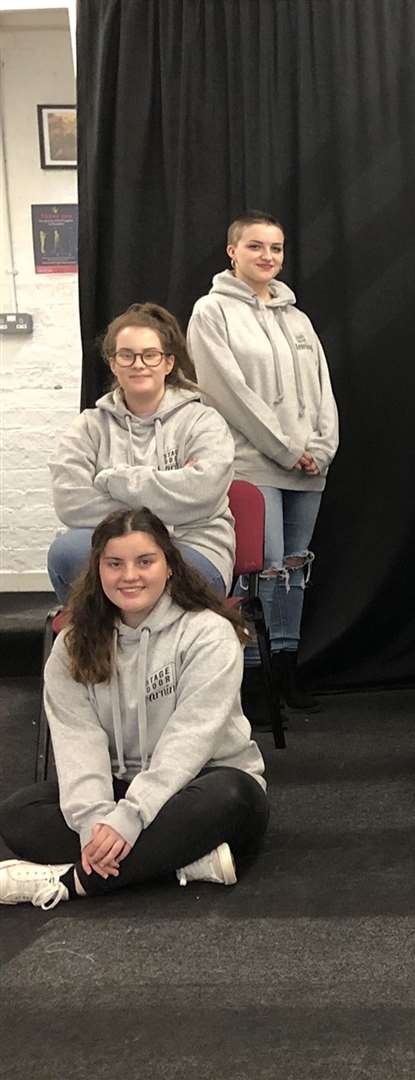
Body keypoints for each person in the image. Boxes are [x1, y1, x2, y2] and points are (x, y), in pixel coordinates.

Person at [0, 509, 269, 909]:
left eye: (145, 561)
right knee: (18, 813)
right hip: (118, 785)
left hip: (197, 783)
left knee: (234, 797)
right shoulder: (73, 644)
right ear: (98, 570)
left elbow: (191, 737)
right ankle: (182, 863)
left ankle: (69, 880)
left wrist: (132, 817)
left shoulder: (209, 632)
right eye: (115, 564)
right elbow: (78, 742)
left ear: (170, 566)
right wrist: (96, 823)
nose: (130, 576)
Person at [188, 210, 339, 710]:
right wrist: (285, 449)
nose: (267, 257)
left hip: (307, 467)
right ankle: (256, 679)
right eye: (255, 247)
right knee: (265, 570)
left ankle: (288, 674)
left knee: (294, 570)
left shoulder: (297, 318)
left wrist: (320, 448)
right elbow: (227, 391)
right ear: (232, 251)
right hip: (254, 464)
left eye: (275, 248)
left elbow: (323, 390)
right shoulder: (211, 313)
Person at [48, 303, 235, 603]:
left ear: (168, 363)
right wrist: (171, 489)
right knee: (66, 552)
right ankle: (106, 646)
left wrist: (114, 481)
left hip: (192, 546)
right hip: (112, 552)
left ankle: (155, 648)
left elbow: (205, 493)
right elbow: (71, 502)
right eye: (127, 355)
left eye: (150, 355)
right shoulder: (87, 427)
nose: (139, 364)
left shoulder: (203, 422)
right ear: (113, 363)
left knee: (162, 578)